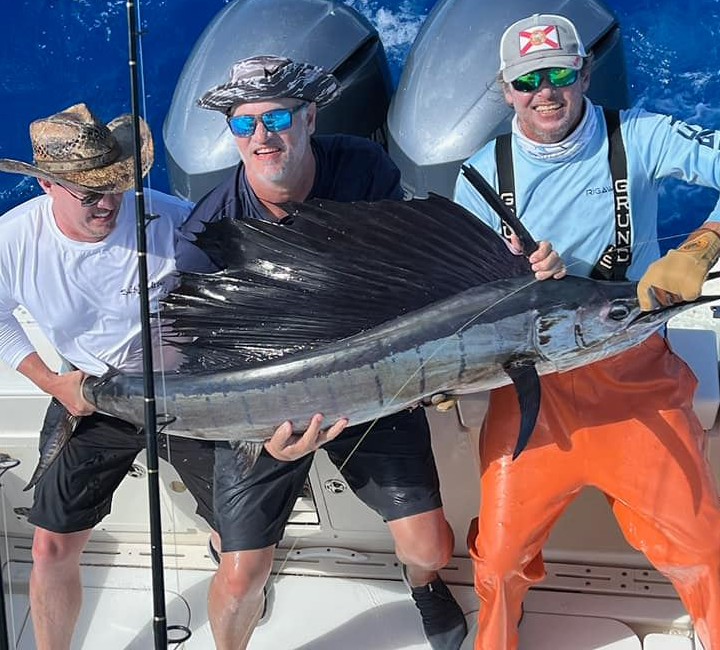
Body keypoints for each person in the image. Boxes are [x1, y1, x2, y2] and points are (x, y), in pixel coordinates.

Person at [175, 54, 559, 650]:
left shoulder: (363, 167)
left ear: (309, 117)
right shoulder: (212, 230)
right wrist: (265, 434)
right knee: (242, 571)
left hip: (377, 388)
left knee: (431, 546)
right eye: (243, 123)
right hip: (271, 409)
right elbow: (203, 353)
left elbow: (410, 267)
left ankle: (426, 585)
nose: (261, 137)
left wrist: (501, 273)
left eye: (276, 117)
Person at [454, 13, 720, 650]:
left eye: (559, 74)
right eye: (527, 81)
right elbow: (465, 299)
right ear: (505, 89)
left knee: (704, 549)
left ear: (584, 72)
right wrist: (520, 280)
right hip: (532, 395)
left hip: (636, 383)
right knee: (495, 560)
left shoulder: (642, 136)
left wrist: (701, 246)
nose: (545, 92)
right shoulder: (480, 174)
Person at [0, 103, 223, 650]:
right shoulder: (11, 240)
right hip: (91, 394)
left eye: (117, 186)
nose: (109, 203)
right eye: (91, 193)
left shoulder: (172, 218)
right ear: (48, 187)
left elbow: (231, 290)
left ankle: (229, 558)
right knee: (50, 546)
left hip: (184, 389)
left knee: (235, 524)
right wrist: (50, 382)